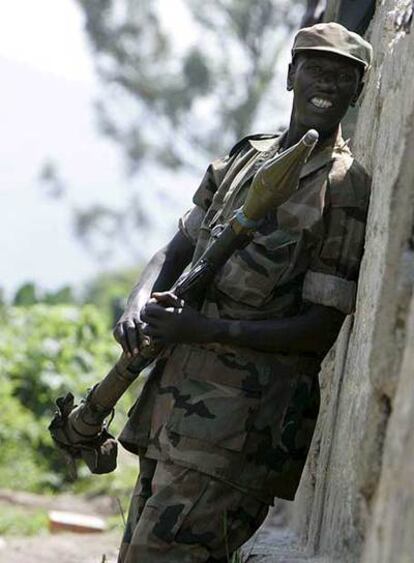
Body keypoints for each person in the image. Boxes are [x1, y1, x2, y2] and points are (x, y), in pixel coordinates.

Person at [114, 22, 373, 562]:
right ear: (290, 76)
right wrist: (138, 303)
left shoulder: (343, 189)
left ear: (359, 91)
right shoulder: (245, 158)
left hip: (238, 435)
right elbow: (177, 247)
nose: (326, 83)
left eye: (343, 76)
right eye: (315, 69)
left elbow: (319, 329)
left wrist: (204, 328)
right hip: (169, 411)